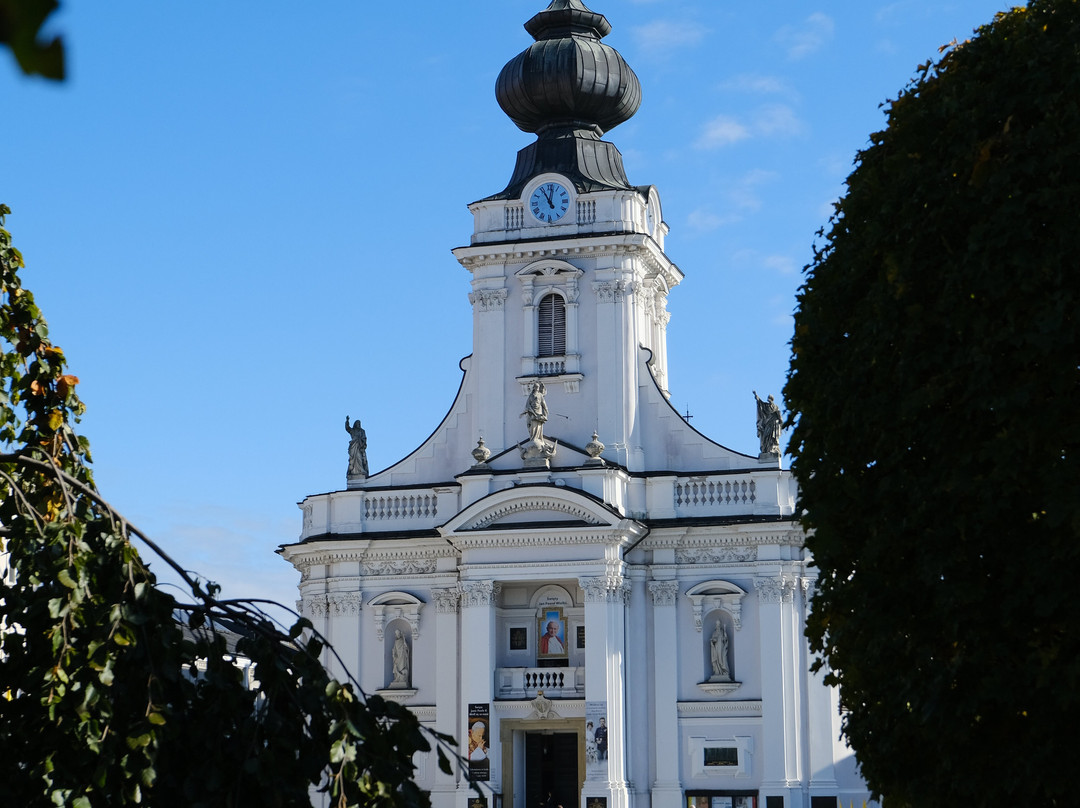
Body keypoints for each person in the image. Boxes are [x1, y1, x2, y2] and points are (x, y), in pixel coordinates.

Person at [753, 391, 781, 455]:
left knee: (772, 437)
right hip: (767, 423)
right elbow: (760, 403)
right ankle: (767, 449)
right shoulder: (766, 405)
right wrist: (756, 396)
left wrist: (780, 420)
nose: (768, 400)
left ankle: (772, 448)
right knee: (766, 436)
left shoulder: (776, 407)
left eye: (770, 399)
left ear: (772, 400)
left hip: (774, 424)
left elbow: (778, 414)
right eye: (768, 399)